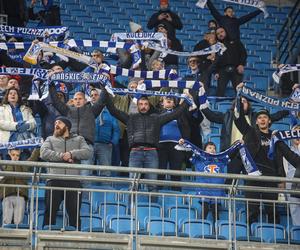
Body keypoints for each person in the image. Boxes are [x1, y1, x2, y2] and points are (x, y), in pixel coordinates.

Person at [105, 92, 190, 192]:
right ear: (137, 106)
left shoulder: (156, 118)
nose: (143, 106)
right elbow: (113, 111)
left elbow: (176, 113)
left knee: (153, 186)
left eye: (146, 104)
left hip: (152, 153)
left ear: (149, 106)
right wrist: (105, 92)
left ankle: (153, 206)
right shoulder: (131, 118)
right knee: (132, 185)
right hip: (135, 153)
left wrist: (187, 100)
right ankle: (132, 207)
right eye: (141, 104)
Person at [233, 98, 293, 224]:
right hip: (252, 176)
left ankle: (274, 238)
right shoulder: (249, 132)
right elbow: (238, 118)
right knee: (252, 211)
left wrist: (281, 178)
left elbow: (279, 159)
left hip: (271, 178)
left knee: (272, 211)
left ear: (269, 120)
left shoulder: (275, 136)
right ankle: (249, 238)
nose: (262, 119)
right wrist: (238, 97)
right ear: (256, 121)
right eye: (260, 117)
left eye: (265, 117)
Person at [40, 116, 92, 229]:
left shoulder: (79, 139)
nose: (56, 125)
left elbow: (87, 152)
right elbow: (43, 153)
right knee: (50, 211)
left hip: (73, 181)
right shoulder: (50, 139)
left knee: (74, 213)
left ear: (67, 126)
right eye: (55, 123)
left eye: (59, 123)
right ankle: (46, 236)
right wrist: (63, 156)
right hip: (54, 180)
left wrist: (72, 154)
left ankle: (76, 238)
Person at [49, 84, 106, 175]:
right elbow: (56, 102)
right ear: (73, 101)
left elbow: (102, 100)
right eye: (75, 99)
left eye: (80, 99)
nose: (78, 101)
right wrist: (51, 85)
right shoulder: (68, 110)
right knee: (70, 176)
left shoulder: (92, 110)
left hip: (86, 146)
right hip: (70, 144)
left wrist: (104, 83)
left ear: (86, 100)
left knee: (85, 177)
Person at [158, 96, 191, 190]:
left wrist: (184, 139)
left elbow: (186, 128)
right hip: (161, 145)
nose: (169, 99)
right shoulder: (156, 113)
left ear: (174, 104)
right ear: (162, 103)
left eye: (172, 99)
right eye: (166, 98)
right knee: (160, 170)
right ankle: (158, 193)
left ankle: (176, 193)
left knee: (176, 170)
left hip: (177, 146)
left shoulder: (180, 114)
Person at [90, 89, 120, 176]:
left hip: (105, 145)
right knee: (87, 170)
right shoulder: (87, 110)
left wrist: (112, 142)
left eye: (96, 95)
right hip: (90, 145)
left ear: (101, 97)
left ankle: (105, 187)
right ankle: (86, 189)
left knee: (105, 171)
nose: (93, 97)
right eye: (91, 95)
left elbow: (116, 130)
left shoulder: (110, 112)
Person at [214, 27, 247, 96]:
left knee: (239, 91)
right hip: (222, 70)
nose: (220, 34)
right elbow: (216, 60)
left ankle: (240, 106)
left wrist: (241, 64)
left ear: (226, 31)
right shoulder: (217, 46)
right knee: (220, 91)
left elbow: (243, 54)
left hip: (236, 69)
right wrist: (216, 71)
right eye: (218, 34)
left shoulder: (236, 41)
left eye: (221, 32)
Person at [0, 149, 28, 225]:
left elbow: (33, 158)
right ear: (9, 154)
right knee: (6, 221)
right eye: (13, 155)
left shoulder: (23, 166)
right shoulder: (3, 165)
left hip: (20, 195)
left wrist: (37, 147)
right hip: (7, 195)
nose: (15, 157)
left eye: (17, 155)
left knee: (18, 222)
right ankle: (5, 237)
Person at [282, 125, 300, 225]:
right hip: (292, 183)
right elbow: (285, 169)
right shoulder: (287, 151)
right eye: (295, 132)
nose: (298, 135)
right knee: (294, 209)